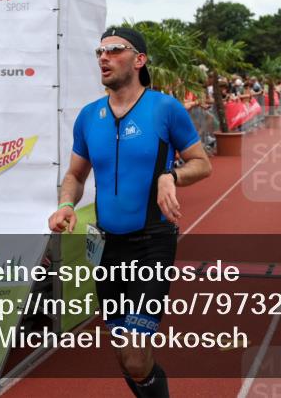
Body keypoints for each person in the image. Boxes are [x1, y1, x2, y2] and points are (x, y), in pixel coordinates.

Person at [48, 27, 211, 398]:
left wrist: (171, 176)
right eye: (100, 51)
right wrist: (66, 204)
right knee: (126, 357)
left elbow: (202, 164)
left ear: (139, 60)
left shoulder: (165, 109)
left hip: (152, 243)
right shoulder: (89, 117)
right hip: (107, 248)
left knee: (135, 356)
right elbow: (75, 175)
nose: (103, 57)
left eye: (115, 50)